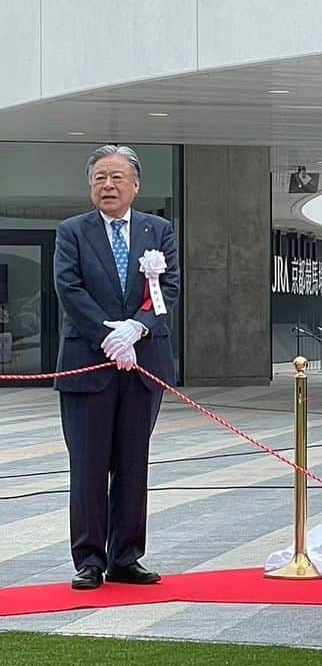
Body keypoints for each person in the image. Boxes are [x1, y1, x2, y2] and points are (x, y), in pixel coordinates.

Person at [54, 144, 180, 590]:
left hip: (143, 367)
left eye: (116, 177)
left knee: (133, 464)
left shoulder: (158, 230)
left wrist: (137, 330)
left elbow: (169, 288)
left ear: (136, 184)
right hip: (87, 368)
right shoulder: (72, 231)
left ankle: (126, 556)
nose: (107, 185)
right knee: (88, 466)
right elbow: (69, 288)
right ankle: (89, 559)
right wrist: (107, 336)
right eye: (99, 178)